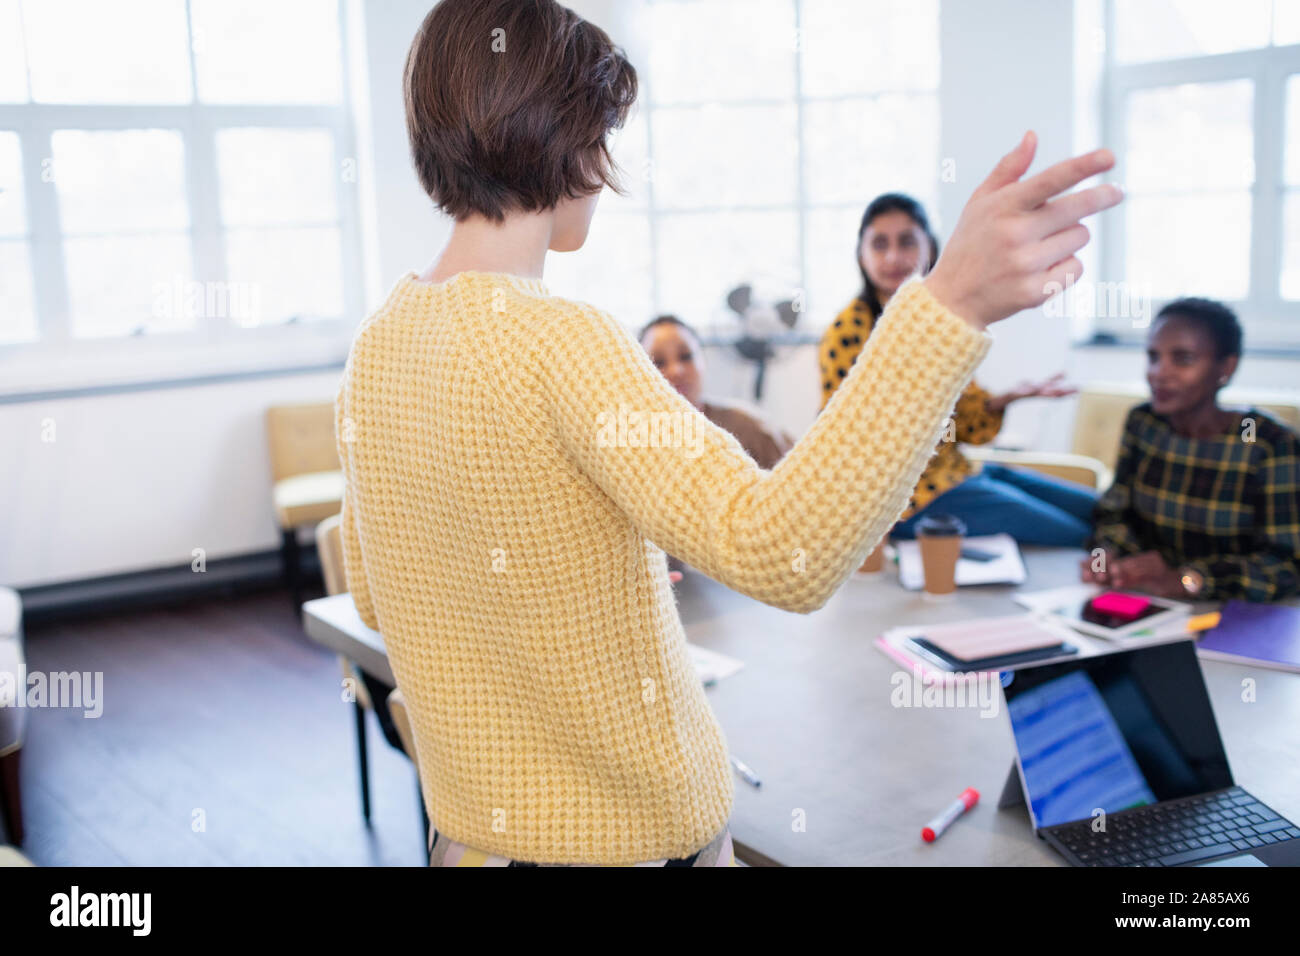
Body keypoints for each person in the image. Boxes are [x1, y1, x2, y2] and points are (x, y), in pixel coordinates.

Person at [335, 0, 1120, 866]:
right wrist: (948, 306)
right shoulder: (562, 341)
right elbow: (784, 552)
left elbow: (378, 595)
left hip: (469, 841)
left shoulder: (377, 345)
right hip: (628, 846)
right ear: (570, 141)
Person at [819, 193, 1100, 547]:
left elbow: (962, 426)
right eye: (879, 244)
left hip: (958, 472)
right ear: (861, 255)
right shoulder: (848, 333)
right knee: (1083, 535)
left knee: (1100, 510)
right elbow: (843, 438)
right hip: (911, 499)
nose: (892, 257)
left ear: (930, 248)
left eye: (906, 242)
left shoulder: (939, 321)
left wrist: (1007, 399)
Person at [1081, 298, 1300, 602]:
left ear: (1226, 367)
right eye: (1153, 357)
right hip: (1149, 599)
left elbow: (1287, 565)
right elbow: (1114, 512)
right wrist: (1107, 554)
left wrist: (1188, 579)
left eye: (1182, 359)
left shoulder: (1267, 443)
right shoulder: (1144, 422)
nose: (1159, 373)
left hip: (1235, 613)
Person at [639, 315, 794, 470]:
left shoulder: (749, 427)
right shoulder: (635, 442)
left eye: (686, 356)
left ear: (703, 361)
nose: (676, 371)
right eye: (658, 362)